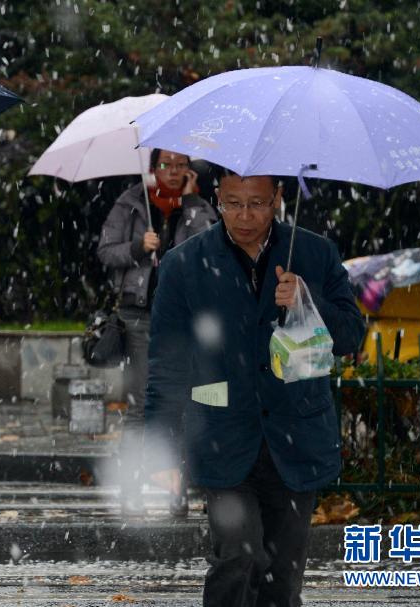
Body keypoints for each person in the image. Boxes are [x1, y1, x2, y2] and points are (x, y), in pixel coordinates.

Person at [144, 169, 365, 606]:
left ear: (278, 198)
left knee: (283, 576)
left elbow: (351, 337)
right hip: (222, 435)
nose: (244, 216)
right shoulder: (184, 265)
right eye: (232, 203)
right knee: (237, 558)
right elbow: (166, 365)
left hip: (296, 435)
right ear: (217, 198)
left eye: (257, 203)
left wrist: (307, 300)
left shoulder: (315, 254)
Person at [97, 148, 218, 516]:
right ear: (152, 169)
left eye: (181, 165)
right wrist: (138, 246)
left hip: (183, 319)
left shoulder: (196, 206)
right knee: (140, 404)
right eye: (165, 165)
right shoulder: (131, 202)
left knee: (179, 404)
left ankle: (175, 492)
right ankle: (131, 490)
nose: (173, 171)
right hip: (138, 314)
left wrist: (190, 205)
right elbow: (106, 251)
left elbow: (212, 251)